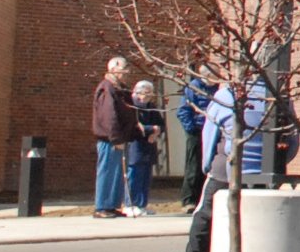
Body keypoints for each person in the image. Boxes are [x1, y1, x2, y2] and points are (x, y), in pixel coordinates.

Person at [181, 72, 269, 252]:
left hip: (226, 168)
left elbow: (210, 134)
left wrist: (207, 166)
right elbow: (291, 140)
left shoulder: (226, 95)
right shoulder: (277, 97)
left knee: (205, 215)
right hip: (265, 171)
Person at [90, 56, 139, 218]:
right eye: (124, 70)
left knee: (117, 173)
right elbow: (108, 115)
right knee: (107, 171)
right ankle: (102, 206)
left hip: (119, 138)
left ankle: (111, 205)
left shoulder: (119, 89)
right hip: (109, 139)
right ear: (113, 69)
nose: (127, 73)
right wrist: (116, 138)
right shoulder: (107, 88)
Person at [174, 68, 217, 208]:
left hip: (212, 131)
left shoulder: (217, 88)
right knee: (194, 166)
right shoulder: (194, 87)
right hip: (197, 131)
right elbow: (183, 111)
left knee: (208, 164)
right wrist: (192, 129)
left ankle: (202, 199)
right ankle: (189, 200)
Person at [126, 77, 166, 217]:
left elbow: (161, 124)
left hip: (149, 147)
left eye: (149, 94)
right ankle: (131, 204)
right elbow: (136, 127)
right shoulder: (132, 107)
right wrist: (152, 129)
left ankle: (142, 204)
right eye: (145, 93)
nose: (147, 96)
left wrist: (156, 131)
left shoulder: (152, 108)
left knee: (146, 177)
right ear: (137, 93)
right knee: (134, 176)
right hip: (136, 146)